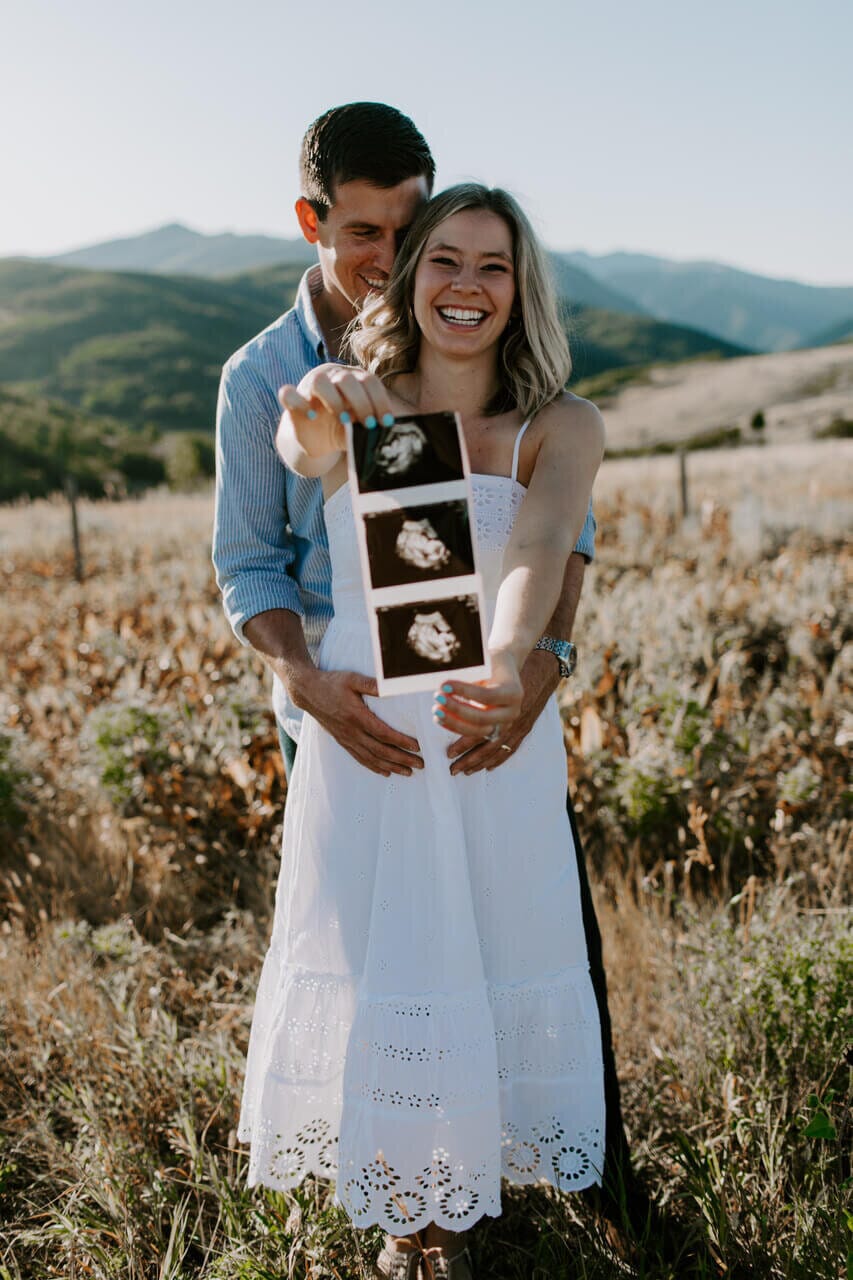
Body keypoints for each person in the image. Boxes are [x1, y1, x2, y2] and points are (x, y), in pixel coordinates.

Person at [237, 183, 607, 1280]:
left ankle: (469, 1190)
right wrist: (314, 399)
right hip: (373, 737)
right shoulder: (365, 406)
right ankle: (410, 1220)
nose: (466, 285)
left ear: (519, 288)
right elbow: (302, 446)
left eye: (492, 266)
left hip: (486, 730)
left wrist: (506, 666)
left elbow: (539, 549)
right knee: (390, 952)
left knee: (490, 946)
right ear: (412, 275)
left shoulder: (559, 424)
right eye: (445, 259)